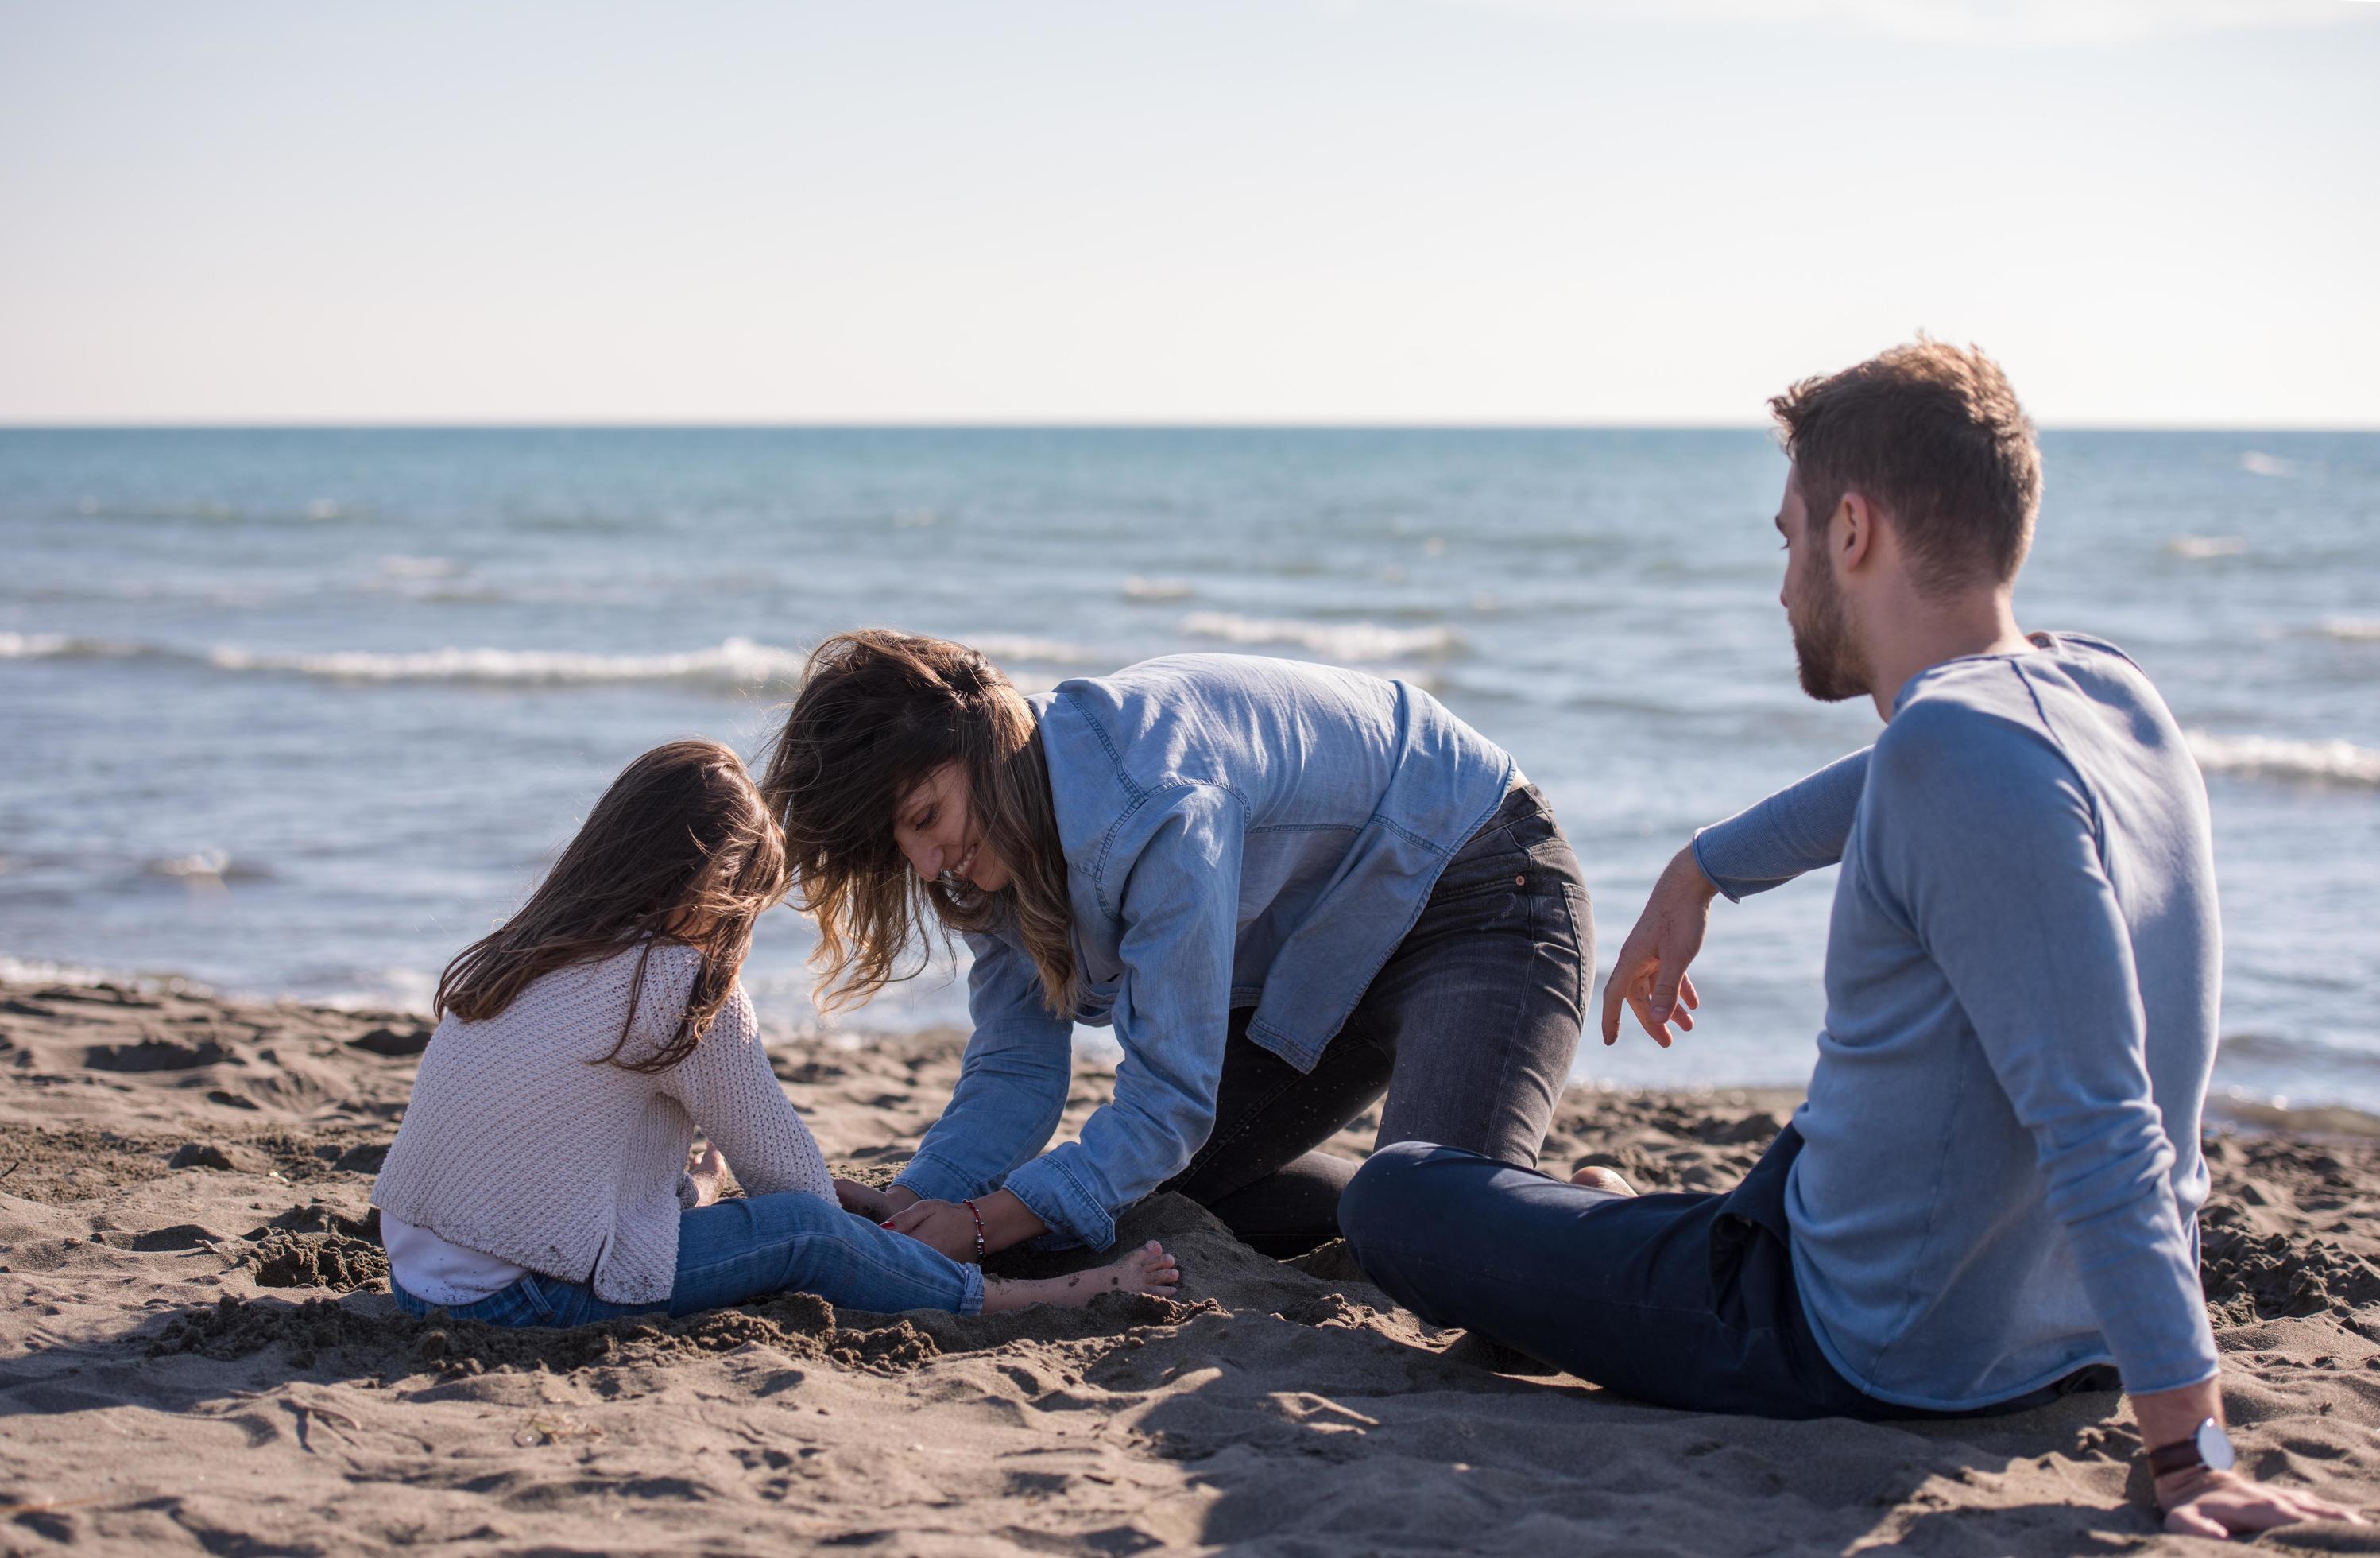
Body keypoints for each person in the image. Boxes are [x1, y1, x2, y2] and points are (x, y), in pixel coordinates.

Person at [1336, 341, 2359, 1539]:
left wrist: (2189, 1454)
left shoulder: (1953, 758)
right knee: (1680, 1213)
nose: (1779, 584)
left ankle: (1603, 1240)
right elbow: (1894, 775)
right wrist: (1703, 867)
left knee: (1395, 1194)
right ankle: (1613, 1227)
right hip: (2054, 1317)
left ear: (1852, 531)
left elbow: (2097, 1117)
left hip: (1851, 1341)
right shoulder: (2104, 694)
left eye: (1786, 538)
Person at [762, 634, 1590, 1262]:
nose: (928, 863)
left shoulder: (1154, 802)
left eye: (924, 818)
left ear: (978, 743)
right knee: (1139, 1207)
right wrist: (914, 1204)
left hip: (1479, 887)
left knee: (1448, 1250)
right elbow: (1017, 1067)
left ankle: (1596, 1215)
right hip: (1319, 954)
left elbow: (1167, 1103)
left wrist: (980, 1225)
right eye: (901, 842)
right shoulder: (994, 842)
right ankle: (1422, 1198)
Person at [371, 738, 1178, 1327]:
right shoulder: (682, 982)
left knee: (726, 1188)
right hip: (521, 1292)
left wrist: (725, 1191)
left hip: (418, 1274)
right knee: (803, 1232)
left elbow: (553, 1153)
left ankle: (730, 1203)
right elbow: (790, 1187)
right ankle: (1028, 1297)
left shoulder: (530, 948)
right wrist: (850, 1207)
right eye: (746, 906)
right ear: (716, 887)